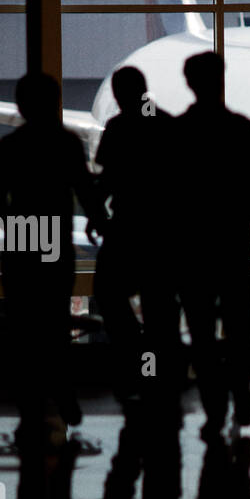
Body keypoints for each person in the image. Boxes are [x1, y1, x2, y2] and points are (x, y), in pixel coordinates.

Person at [0, 72, 106, 439]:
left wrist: (20, 226)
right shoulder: (66, 144)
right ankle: (63, 392)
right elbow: (85, 191)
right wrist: (100, 222)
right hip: (54, 238)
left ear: (20, 106)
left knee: (24, 324)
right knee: (55, 321)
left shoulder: (11, 145)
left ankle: (31, 400)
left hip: (23, 240)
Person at [175, 52, 250, 439]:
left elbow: (168, 198)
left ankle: (215, 408)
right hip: (233, 248)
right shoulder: (242, 130)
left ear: (190, 83)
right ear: (221, 80)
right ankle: (242, 391)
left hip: (192, 252)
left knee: (201, 335)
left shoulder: (179, 132)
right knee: (239, 329)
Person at [93, 66, 179, 406]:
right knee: (161, 305)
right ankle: (160, 371)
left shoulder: (118, 127)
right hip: (163, 232)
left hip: (128, 228)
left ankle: (135, 356)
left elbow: (108, 178)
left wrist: (97, 213)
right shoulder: (167, 123)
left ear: (118, 94)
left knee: (108, 292)